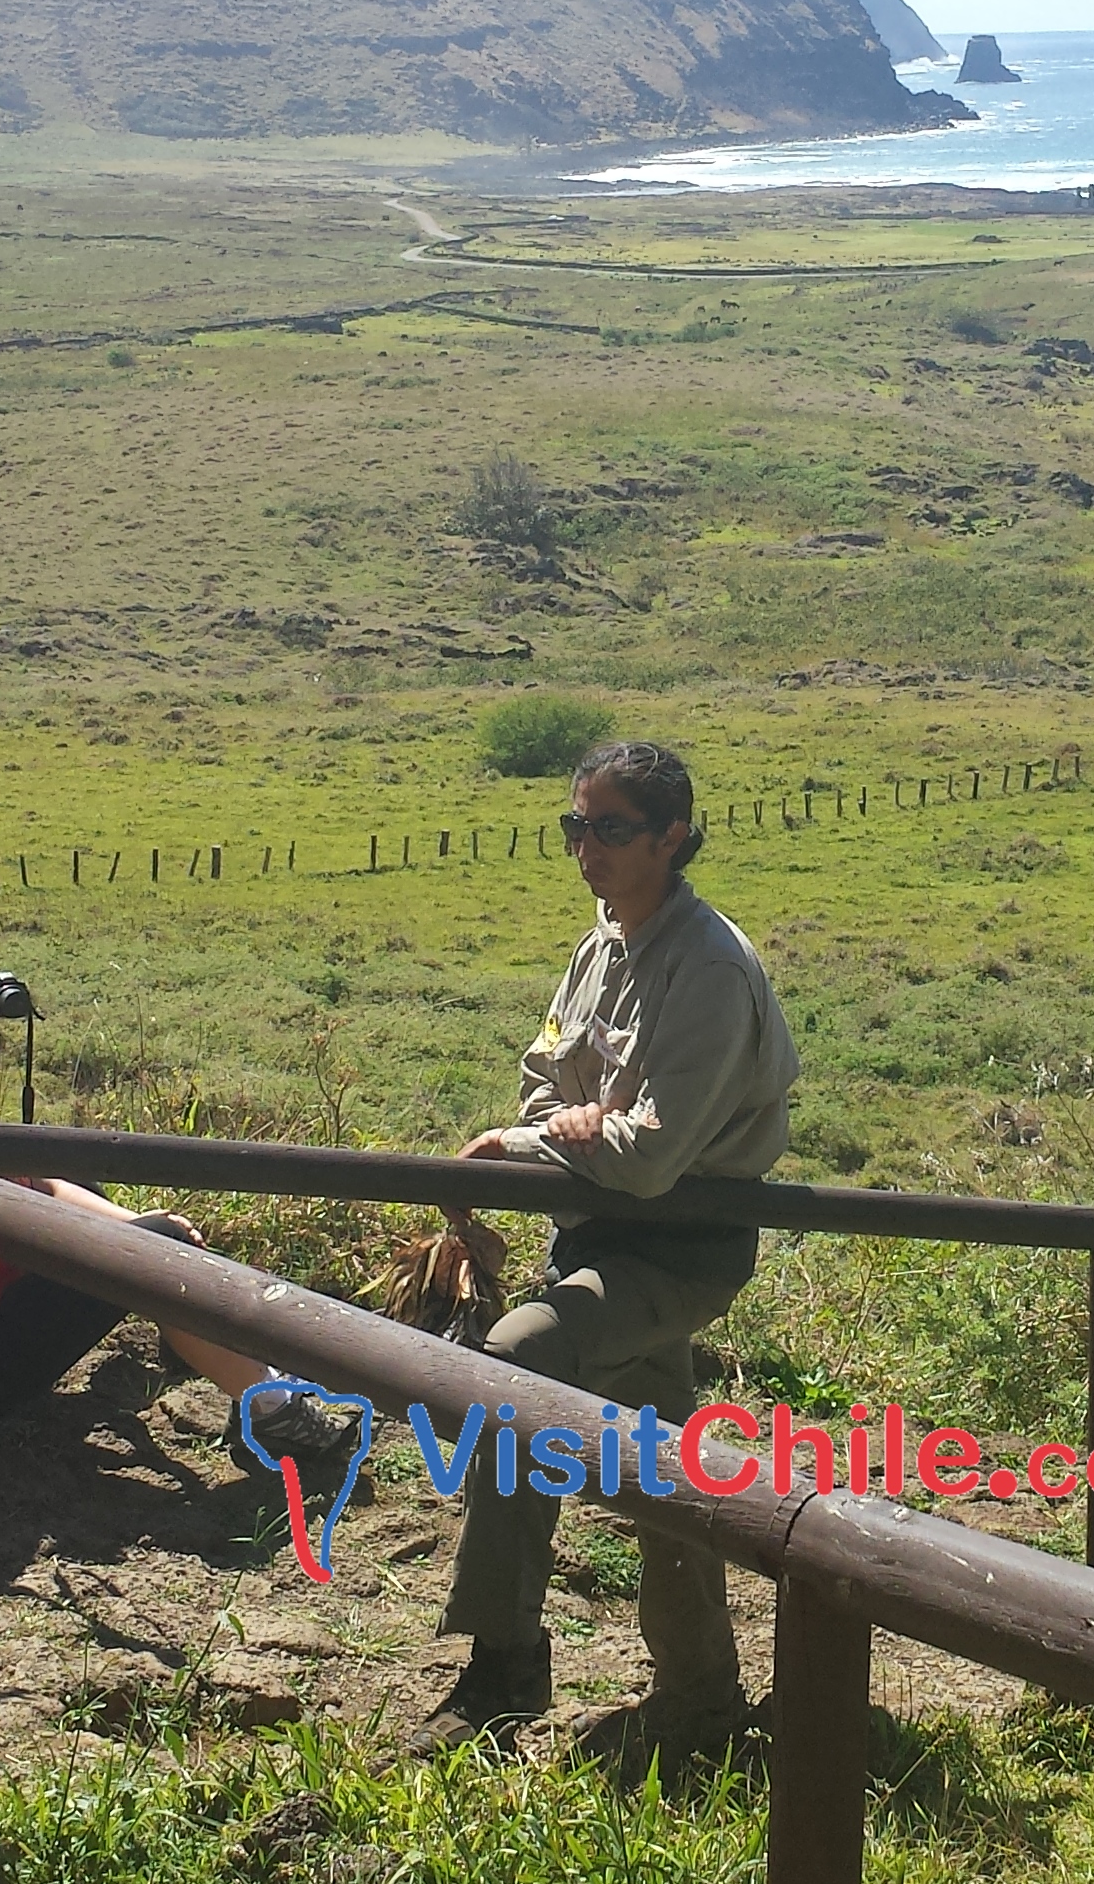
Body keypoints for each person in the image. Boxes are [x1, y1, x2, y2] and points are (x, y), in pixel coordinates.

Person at [416, 739, 797, 1766]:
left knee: (513, 1363)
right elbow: (546, 1078)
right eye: (574, 826)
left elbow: (649, 1159)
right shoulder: (606, 941)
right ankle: (705, 1704)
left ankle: (506, 1660)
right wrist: (569, 1124)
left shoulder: (708, 965)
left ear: (672, 835)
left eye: (611, 829)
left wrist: (560, 1136)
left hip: (673, 1250)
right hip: (602, 1235)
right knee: (667, 1465)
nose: (585, 848)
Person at [0, 954, 360, 1478]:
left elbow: (45, 1184)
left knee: (122, 1217)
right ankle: (272, 1413)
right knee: (158, 1256)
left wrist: (136, 1222)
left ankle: (217, 1349)